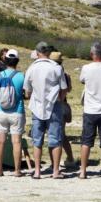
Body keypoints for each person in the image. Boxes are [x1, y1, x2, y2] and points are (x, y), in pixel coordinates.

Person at [23, 42, 68, 179]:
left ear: (37, 53)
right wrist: (60, 98)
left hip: (37, 105)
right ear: (49, 52)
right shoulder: (56, 67)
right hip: (54, 104)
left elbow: (27, 91)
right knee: (55, 139)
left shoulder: (31, 68)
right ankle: (55, 170)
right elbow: (64, 88)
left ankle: (37, 171)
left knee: (37, 140)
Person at [78, 42, 101, 180]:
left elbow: (82, 80)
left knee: (86, 140)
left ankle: (82, 171)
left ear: (92, 54)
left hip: (90, 110)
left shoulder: (86, 68)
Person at [0, 49, 26, 177]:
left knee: (0, 142)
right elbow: (27, 93)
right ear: (17, 61)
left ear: (5, 60)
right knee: (16, 142)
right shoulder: (21, 76)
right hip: (17, 111)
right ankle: (17, 170)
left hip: (0, 111)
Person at [50, 51, 76, 168]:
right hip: (63, 104)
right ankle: (69, 157)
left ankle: (54, 162)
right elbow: (69, 89)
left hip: (54, 105)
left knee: (56, 135)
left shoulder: (50, 72)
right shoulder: (65, 74)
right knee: (61, 134)